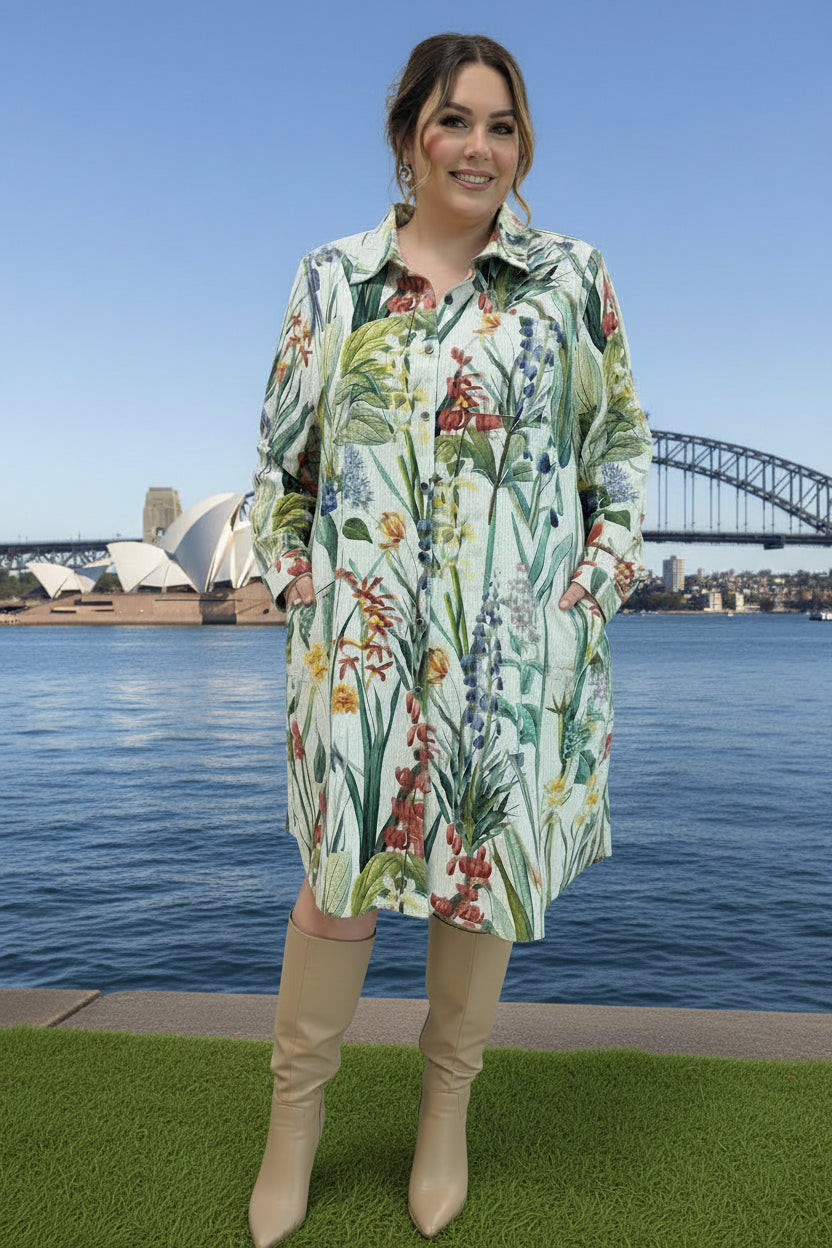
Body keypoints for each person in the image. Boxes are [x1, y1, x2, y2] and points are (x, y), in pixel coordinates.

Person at [247, 31, 652, 1247]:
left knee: (476, 889)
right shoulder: (334, 280)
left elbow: (619, 451)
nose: (479, 148)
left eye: (501, 126)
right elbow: (280, 469)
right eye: (454, 121)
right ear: (408, 136)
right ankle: (293, 1122)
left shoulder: (569, 279)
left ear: (521, 146)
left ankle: (444, 1117)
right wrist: (303, 588)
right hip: (359, 656)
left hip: (508, 659)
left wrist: (591, 587)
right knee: (336, 888)